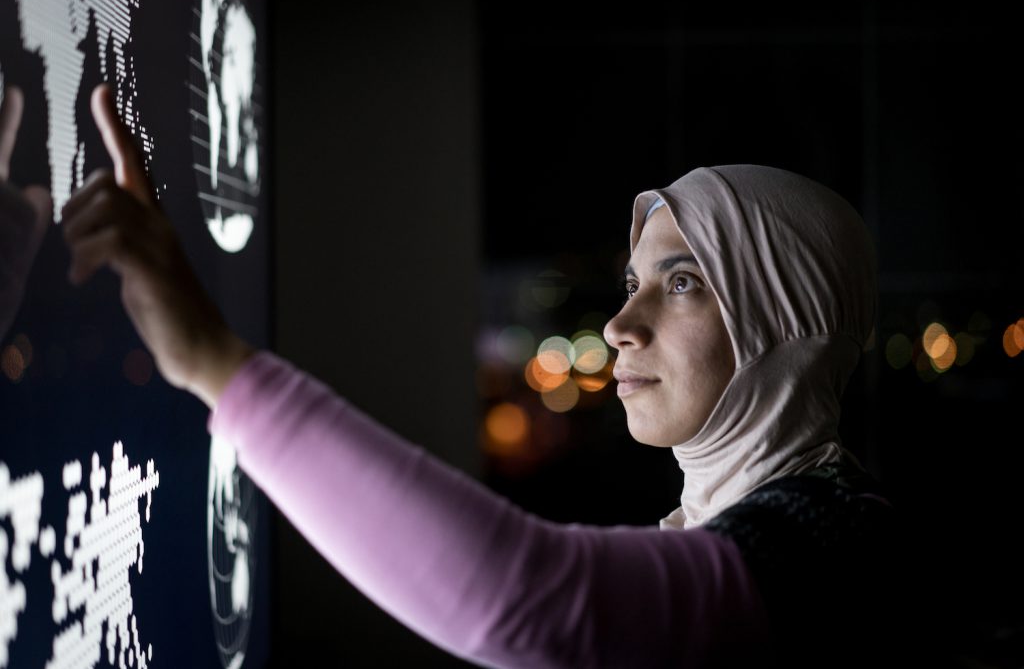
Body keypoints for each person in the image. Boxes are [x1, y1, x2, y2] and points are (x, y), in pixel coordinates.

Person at [9, 82, 946, 667]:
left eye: (687, 281)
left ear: (793, 319)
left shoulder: (831, 544)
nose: (620, 324)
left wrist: (215, 365)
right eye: (632, 284)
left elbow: (524, 600)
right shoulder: (775, 515)